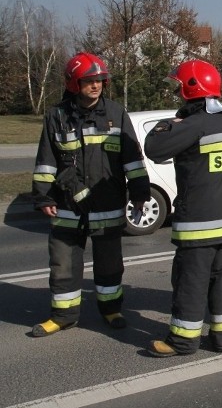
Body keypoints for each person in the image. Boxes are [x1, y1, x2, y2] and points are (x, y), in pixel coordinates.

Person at [31, 52, 150, 337]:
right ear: (75, 83)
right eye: (89, 81)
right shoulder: (56, 116)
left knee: (109, 265)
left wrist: (140, 193)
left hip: (107, 205)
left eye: (99, 80)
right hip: (67, 206)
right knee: (63, 265)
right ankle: (63, 316)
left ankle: (111, 310)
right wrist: (44, 197)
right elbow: (46, 160)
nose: (96, 85)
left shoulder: (115, 113)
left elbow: (132, 159)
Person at [143, 60, 222, 357]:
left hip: (198, 224)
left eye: (179, 86)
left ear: (190, 88)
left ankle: (183, 340)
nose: (177, 92)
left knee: (190, 281)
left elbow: (153, 147)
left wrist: (168, 123)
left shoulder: (191, 125)